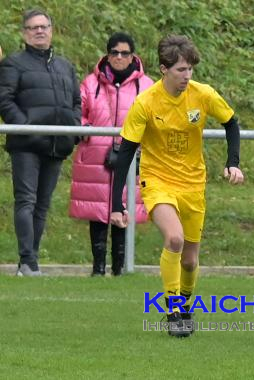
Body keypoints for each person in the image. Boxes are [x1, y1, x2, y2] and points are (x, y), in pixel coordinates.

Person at [110, 35, 244, 337]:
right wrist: (116, 202)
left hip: (193, 184)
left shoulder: (203, 94)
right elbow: (127, 151)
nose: (187, 76)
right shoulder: (146, 103)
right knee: (174, 239)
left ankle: (185, 304)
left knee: (190, 260)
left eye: (190, 70)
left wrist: (233, 162)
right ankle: (173, 310)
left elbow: (231, 122)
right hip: (157, 181)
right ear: (163, 69)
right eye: (181, 70)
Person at [0, 10, 81, 276]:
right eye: (33, 27)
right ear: (24, 33)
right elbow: (5, 100)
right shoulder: (13, 64)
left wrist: (73, 131)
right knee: (26, 200)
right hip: (26, 146)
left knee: (42, 205)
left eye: (43, 26)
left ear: (51, 30)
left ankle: (30, 260)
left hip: (57, 144)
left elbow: (76, 103)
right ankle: (27, 260)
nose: (39, 31)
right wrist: (25, 129)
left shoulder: (65, 67)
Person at [69, 32, 154, 276]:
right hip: (95, 155)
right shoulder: (90, 83)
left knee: (125, 207)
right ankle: (98, 268)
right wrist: (84, 129)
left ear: (132, 56)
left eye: (124, 53)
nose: (119, 57)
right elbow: (79, 111)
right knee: (96, 212)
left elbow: (155, 116)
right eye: (114, 52)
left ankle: (119, 268)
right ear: (108, 54)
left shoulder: (147, 86)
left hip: (132, 156)